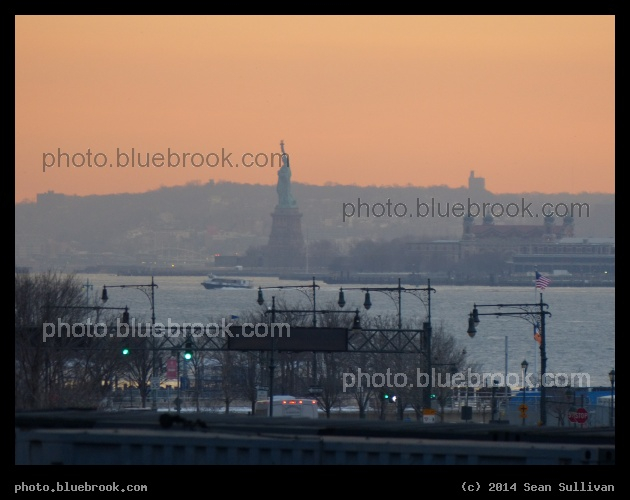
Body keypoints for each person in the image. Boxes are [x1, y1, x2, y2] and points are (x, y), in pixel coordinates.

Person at [276, 140, 297, 208]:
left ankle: (285, 202)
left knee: (285, 193)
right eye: (282, 159)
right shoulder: (283, 167)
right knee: (280, 191)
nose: (283, 160)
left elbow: (286, 176)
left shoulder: (287, 166)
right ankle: (282, 203)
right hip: (281, 183)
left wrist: (282, 148)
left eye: (284, 159)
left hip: (285, 183)